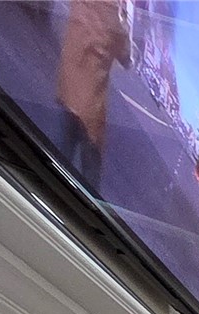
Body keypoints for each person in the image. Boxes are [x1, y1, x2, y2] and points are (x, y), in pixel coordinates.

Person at [56, 0, 133, 185]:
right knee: (91, 164)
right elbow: (125, 56)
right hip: (91, 102)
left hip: (70, 84)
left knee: (64, 146)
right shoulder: (115, 15)